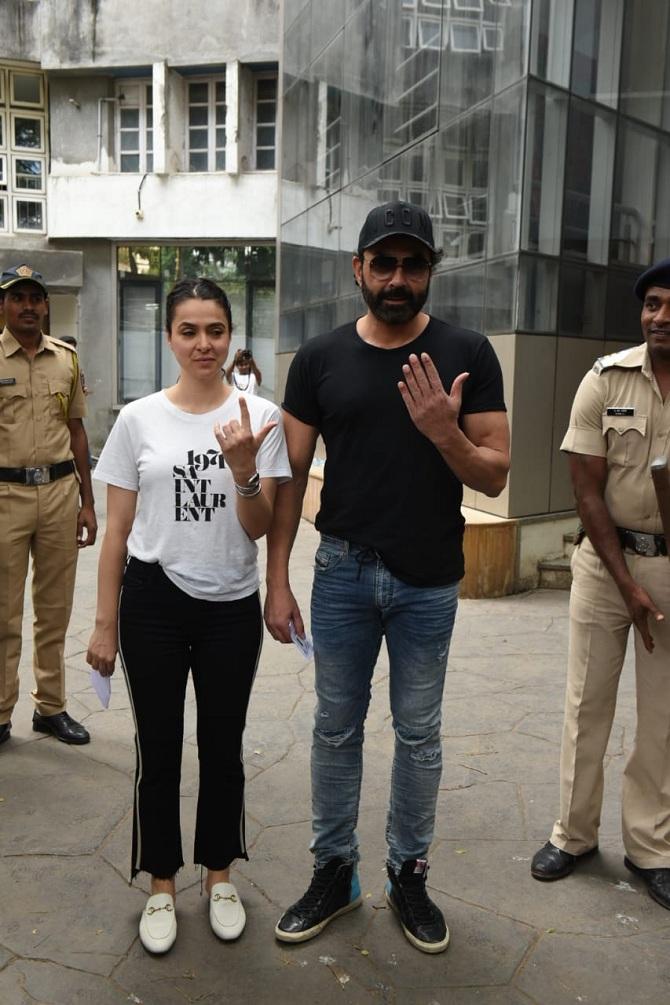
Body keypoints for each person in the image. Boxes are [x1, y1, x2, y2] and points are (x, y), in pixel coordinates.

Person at [264, 201, 510, 953]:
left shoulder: (469, 351)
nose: (398, 279)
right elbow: (290, 472)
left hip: (428, 580)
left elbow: (495, 475)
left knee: (420, 734)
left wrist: (444, 432)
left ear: (431, 270)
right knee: (334, 729)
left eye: (413, 264)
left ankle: (409, 872)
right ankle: (335, 871)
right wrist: (277, 577)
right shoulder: (319, 358)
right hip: (340, 571)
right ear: (358, 269)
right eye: (384, 263)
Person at [86, 277, 290, 954]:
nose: (204, 343)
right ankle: (162, 884)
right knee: (160, 747)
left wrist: (243, 470)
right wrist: (104, 622)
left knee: (223, 746)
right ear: (170, 337)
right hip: (153, 601)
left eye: (215, 329)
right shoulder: (138, 419)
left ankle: (221, 874)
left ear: (231, 336)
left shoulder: (260, 416)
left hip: (231, 601)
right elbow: (116, 531)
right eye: (189, 330)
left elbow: (259, 526)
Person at [531, 259, 670, 911]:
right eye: (652, 304)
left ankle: (651, 847)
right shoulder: (604, 378)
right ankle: (574, 834)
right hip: (605, 561)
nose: (661, 317)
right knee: (587, 703)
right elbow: (586, 489)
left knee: (663, 716)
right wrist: (629, 583)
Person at [0, 264, 96, 748]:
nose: (29, 307)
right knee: (3, 614)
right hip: (5, 498)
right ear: (4, 306)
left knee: (54, 610)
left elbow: (78, 431)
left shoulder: (67, 360)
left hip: (60, 494)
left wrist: (88, 502)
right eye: (19, 298)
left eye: (36, 298)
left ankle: (50, 708)